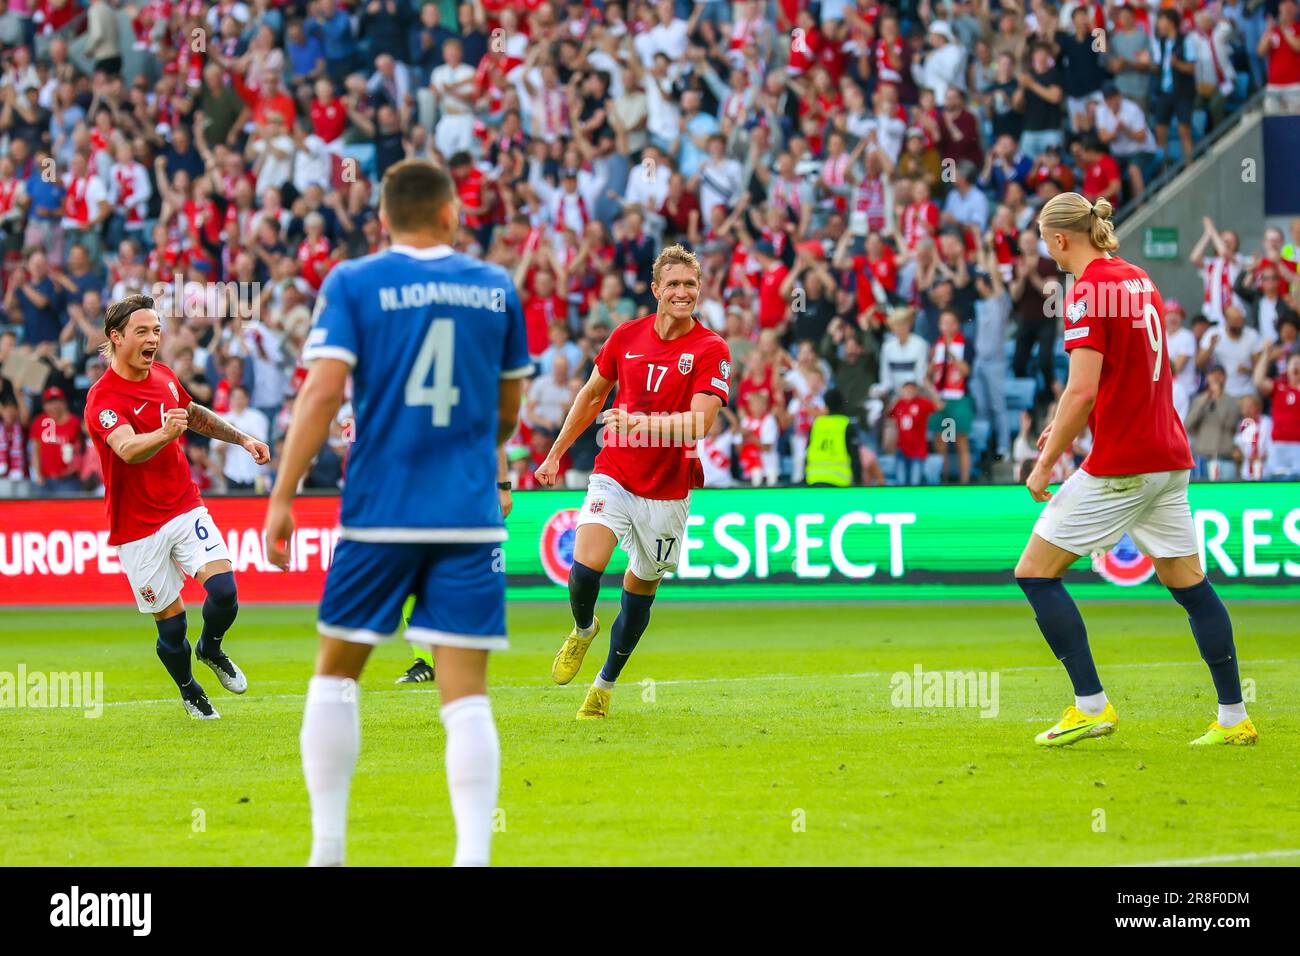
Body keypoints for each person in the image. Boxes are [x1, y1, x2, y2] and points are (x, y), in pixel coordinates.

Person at [264, 160, 530, 867]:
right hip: (468, 517)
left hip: (380, 510)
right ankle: (473, 856)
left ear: (383, 219)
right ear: (450, 214)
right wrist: (475, 452)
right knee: (466, 693)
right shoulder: (496, 288)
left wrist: (284, 497)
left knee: (337, 673)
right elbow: (508, 411)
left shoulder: (353, 282)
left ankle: (328, 852)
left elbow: (321, 394)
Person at [1016, 193, 1255, 748]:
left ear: (1058, 239)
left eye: (1042, 237)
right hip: (1167, 456)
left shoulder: (1085, 293)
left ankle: (1090, 705)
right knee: (1188, 584)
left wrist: (1045, 462)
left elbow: (1081, 387)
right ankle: (1233, 716)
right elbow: (1124, 373)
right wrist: (1064, 424)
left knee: (1034, 573)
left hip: (1123, 462)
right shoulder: (1135, 278)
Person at [536, 244, 731, 720]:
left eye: (690, 284)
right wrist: (555, 453)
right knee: (585, 568)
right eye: (674, 284)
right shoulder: (626, 336)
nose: (682, 292)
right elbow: (590, 397)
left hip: (667, 492)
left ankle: (603, 687)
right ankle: (583, 629)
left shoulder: (711, 349)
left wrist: (642, 425)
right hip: (615, 473)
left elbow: (701, 423)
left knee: (641, 590)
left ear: (699, 289)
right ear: (655, 289)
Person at [84, 294, 270, 720]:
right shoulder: (103, 398)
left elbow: (191, 414)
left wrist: (242, 438)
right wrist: (167, 434)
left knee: (224, 590)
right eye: (144, 331)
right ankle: (189, 688)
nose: (154, 338)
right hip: (136, 529)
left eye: (157, 330)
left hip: (183, 506)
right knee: (172, 627)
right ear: (117, 337)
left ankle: (213, 648)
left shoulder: (164, 375)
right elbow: (128, 449)